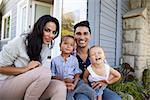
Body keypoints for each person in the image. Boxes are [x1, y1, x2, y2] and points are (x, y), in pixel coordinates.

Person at [0, 15, 66, 100]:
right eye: (47, 30)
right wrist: (25, 69)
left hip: (24, 86)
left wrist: (53, 77)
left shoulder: (45, 47)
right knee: (45, 72)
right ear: (39, 28)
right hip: (4, 86)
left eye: (54, 32)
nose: (51, 35)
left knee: (59, 86)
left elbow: (35, 74)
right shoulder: (19, 42)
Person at [74, 21, 122, 100]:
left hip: (99, 88)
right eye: (78, 33)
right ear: (74, 36)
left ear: (90, 36)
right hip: (81, 90)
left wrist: (105, 81)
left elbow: (108, 71)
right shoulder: (70, 56)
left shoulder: (97, 54)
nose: (82, 37)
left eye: (85, 33)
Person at [51, 35, 82, 100]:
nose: (68, 46)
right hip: (60, 84)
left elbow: (77, 74)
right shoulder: (54, 60)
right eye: (65, 43)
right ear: (60, 45)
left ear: (73, 48)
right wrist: (63, 80)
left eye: (71, 45)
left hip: (72, 84)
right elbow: (52, 75)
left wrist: (74, 84)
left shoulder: (74, 60)